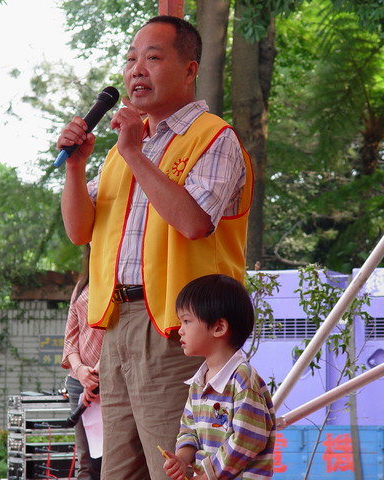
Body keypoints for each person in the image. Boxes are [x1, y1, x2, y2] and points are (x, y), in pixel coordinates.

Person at [57, 15, 253, 480]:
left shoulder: (213, 137)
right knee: (118, 471)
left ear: (190, 70)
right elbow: (79, 231)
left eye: (153, 58)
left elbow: (194, 222)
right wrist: (75, 167)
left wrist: (134, 153)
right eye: (130, 60)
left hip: (180, 328)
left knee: (176, 467)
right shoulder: (119, 152)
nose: (136, 70)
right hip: (117, 325)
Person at [162, 274, 275, 480]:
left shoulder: (243, 379)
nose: (180, 330)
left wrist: (208, 475)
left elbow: (248, 438)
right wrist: (182, 460)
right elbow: (189, 430)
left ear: (219, 327)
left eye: (186, 321)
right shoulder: (198, 382)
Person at [62, 244, 104, 480]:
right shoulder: (81, 286)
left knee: (113, 459)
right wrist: (80, 370)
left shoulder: (122, 284)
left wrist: (100, 370)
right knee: (86, 462)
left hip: (111, 379)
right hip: (79, 382)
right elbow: (70, 338)